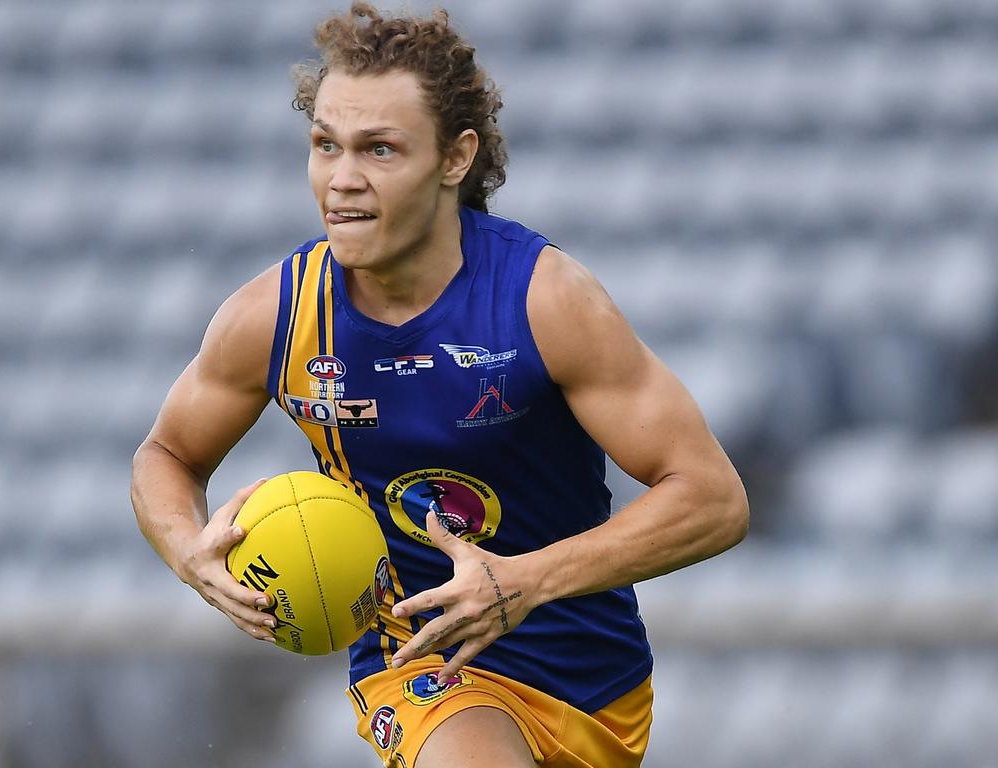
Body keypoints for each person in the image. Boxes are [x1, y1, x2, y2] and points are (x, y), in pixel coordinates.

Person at [130, 4, 749, 766]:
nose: (342, 180)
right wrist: (189, 550)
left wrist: (525, 581)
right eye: (326, 145)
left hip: (596, 684)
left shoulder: (544, 300)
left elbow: (714, 500)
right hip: (419, 669)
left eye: (380, 150)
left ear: (456, 158)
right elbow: (165, 454)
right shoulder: (276, 317)